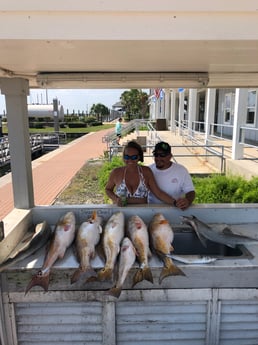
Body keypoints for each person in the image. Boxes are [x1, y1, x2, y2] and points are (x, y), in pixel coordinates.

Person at [105, 140, 177, 207]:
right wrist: (115, 199)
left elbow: (158, 193)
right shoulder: (116, 172)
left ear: (139, 157)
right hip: (120, 215)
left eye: (134, 157)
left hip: (142, 216)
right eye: (127, 157)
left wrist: (175, 203)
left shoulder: (146, 172)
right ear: (123, 157)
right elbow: (108, 189)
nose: (130, 160)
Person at [148, 141, 195, 210]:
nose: (158, 158)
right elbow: (158, 193)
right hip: (153, 210)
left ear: (170, 156)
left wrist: (187, 200)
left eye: (162, 155)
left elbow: (190, 191)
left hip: (175, 209)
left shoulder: (181, 170)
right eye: (156, 155)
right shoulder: (148, 170)